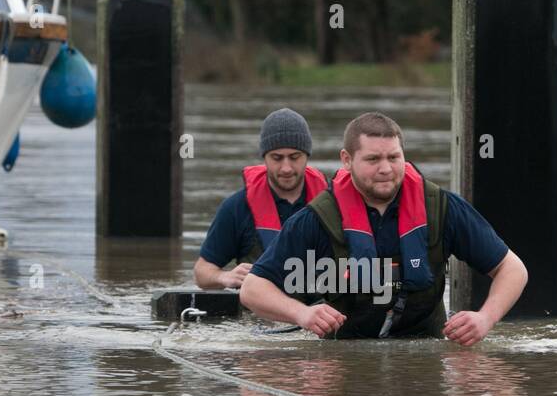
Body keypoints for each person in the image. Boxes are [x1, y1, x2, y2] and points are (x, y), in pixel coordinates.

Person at [241, 112, 527, 345]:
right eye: (373, 159)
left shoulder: (443, 208)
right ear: (347, 160)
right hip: (346, 358)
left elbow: (513, 270)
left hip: (425, 354)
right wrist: (302, 314)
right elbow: (253, 290)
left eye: (393, 157)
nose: (386, 169)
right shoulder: (315, 219)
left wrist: (485, 318)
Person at [193, 108, 328, 290]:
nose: (286, 168)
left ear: (307, 156)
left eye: (295, 157)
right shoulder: (236, 208)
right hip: (258, 313)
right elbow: (202, 272)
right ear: (264, 157)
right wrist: (224, 277)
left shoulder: (333, 205)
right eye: (277, 158)